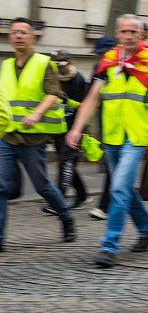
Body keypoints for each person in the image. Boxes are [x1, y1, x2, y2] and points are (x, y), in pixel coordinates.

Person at [64, 15, 148, 268]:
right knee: (125, 189)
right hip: (111, 136)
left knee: (118, 188)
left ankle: (109, 245)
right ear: (117, 34)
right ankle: (147, 229)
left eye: (134, 31)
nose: (129, 36)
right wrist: (76, 129)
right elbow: (91, 99)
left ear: (142, 35)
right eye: (124, 31)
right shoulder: (108, 62)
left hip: (137, 136)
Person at [0, 19, 77, 251]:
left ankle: (66, 218)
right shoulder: (5, 65)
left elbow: (53, 94)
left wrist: (35, 114)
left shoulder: (44, 64)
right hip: (7, 137)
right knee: (1, 186)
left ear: (33, 37)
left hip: (33, 138)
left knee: (42, 186)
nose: (18, 36)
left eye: (23, 32)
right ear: (10, 37)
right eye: (14, 32)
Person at [49, 50, 88, 211]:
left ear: (69, 62)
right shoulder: (52, 80)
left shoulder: (78, 80)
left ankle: (58, 202)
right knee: (68, 164)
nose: (59, 68)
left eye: (61, 64)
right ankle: (82, 194)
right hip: (58, 128)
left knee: (65, 164)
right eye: (55, 65)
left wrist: (66, 100)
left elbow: (85, 107)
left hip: (74, 129)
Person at [87, 35, 116, 220]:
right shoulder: (99, 68)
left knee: (115, 170)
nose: (98, 57)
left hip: (126, 128)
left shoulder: (124, 67)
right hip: (107, 124)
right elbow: (91, 97)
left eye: (100, 53)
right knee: (115, 170)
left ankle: (104, 207)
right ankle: (110, 206)